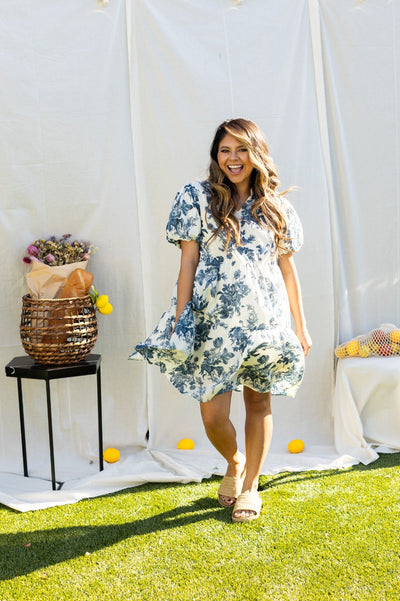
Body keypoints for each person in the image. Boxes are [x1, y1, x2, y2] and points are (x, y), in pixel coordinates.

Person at [131, 118, 312, 522]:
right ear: (216, 154)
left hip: (266, 321)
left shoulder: (277, 208)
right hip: (212, 322)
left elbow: (287, 271)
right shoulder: (195, 198)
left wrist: (300, 326)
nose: (233, 158)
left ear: (256, 154)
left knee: (259, 401)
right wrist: (180, 320)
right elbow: (189, 261)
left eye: (242, 150)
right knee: (213, 415)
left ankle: (250, 489)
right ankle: (235, 462)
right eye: (226, 150)